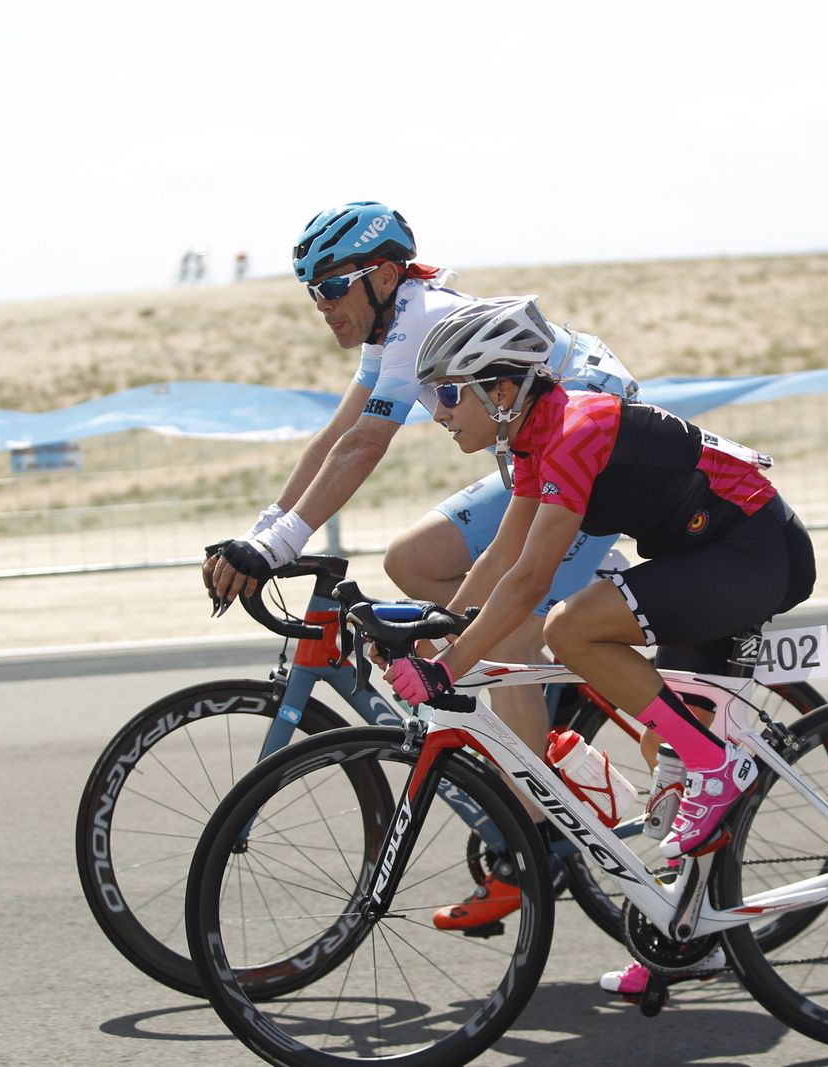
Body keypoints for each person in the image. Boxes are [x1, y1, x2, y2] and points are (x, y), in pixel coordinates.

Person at [204, 201, 638, 931]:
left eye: (331, 287)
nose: (322, 305)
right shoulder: (391, 322)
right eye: (310, 291)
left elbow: (364, 449)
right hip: (533, 453)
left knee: (491, 634)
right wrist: (263, 533)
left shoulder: (423, 318)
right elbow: (336, 435)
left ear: (378, 275)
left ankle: (526, 851)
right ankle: (544, 710)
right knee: (415, 563)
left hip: (588, 449)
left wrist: (275, 549)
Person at [386, 295, 817, 1000]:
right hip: (709, 553)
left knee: (571, 627)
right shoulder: (530, 439)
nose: (435, 409)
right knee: (670, 769)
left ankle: (717, 762)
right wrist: (430, 634)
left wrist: (444, 667)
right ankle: (691, 938)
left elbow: (528, 583)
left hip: (751, 549)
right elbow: (498, 558)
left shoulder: (575, 428)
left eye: (446, 392)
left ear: (500, 391)